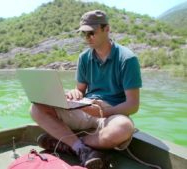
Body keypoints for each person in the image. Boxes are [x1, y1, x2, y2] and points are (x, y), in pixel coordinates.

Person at [30, 10, 142, 169]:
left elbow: (133, 105)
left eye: (91, 33)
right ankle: (80, 148)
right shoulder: (84, 57)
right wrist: (75, 93)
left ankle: (68, 143)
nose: (87, 38)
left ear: (107, 29)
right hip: (86, 106)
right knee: (36, 108)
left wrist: (103, 112)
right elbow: (80, 90)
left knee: (123, 128)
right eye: (84, 34)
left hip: (113, 113)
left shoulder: (127, 59)